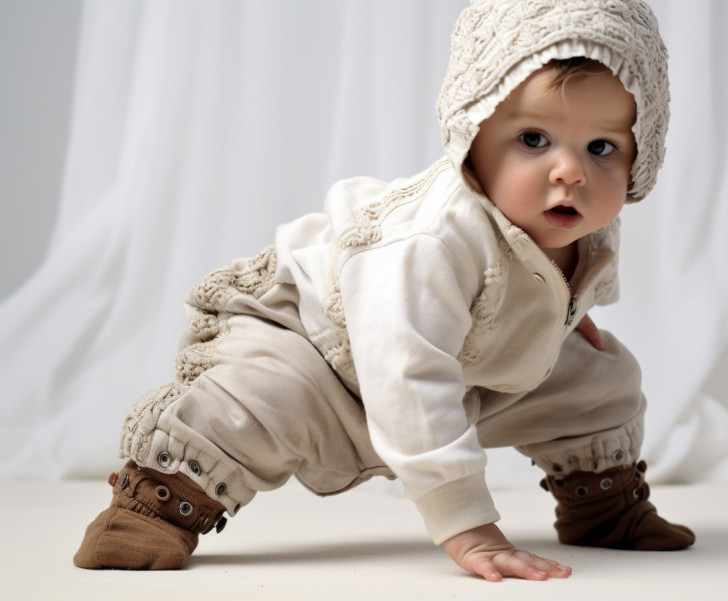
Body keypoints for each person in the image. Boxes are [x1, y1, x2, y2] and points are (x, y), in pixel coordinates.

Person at [74, 0, 694, 581]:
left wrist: (567, 321)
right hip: (320, 345)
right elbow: (407, 371)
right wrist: (468, 527)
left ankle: (603, 506)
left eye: (602, 147)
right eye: (534, 139)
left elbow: (577, 279)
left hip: (465, 368)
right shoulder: (431, 241)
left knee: (603, 378)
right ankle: (158, 498)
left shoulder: (580, 218)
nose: (571, 171)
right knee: (258, 399)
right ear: (471, 136)